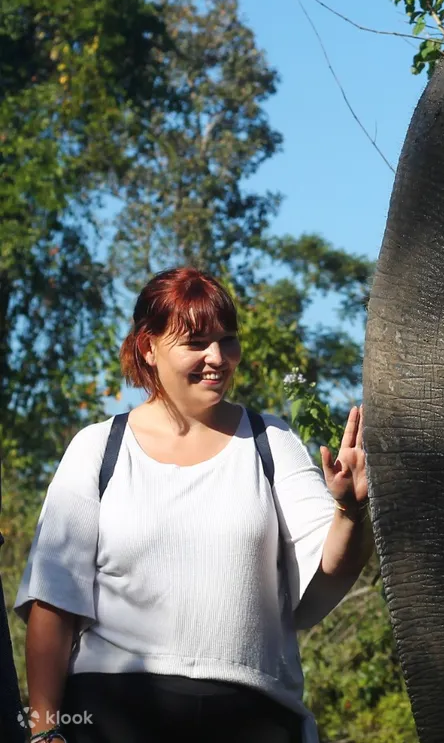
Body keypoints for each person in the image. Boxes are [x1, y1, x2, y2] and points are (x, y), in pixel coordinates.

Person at [14, 267, 373, 743]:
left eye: (228, 340)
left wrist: (350, 511)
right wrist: (43, 730)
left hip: (252, 717)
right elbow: (52, 601)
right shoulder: (97, 448)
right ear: (148, 346)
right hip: (113, 715)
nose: (218, 358)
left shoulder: (273, 442)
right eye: (196, 342)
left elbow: (328, 564)